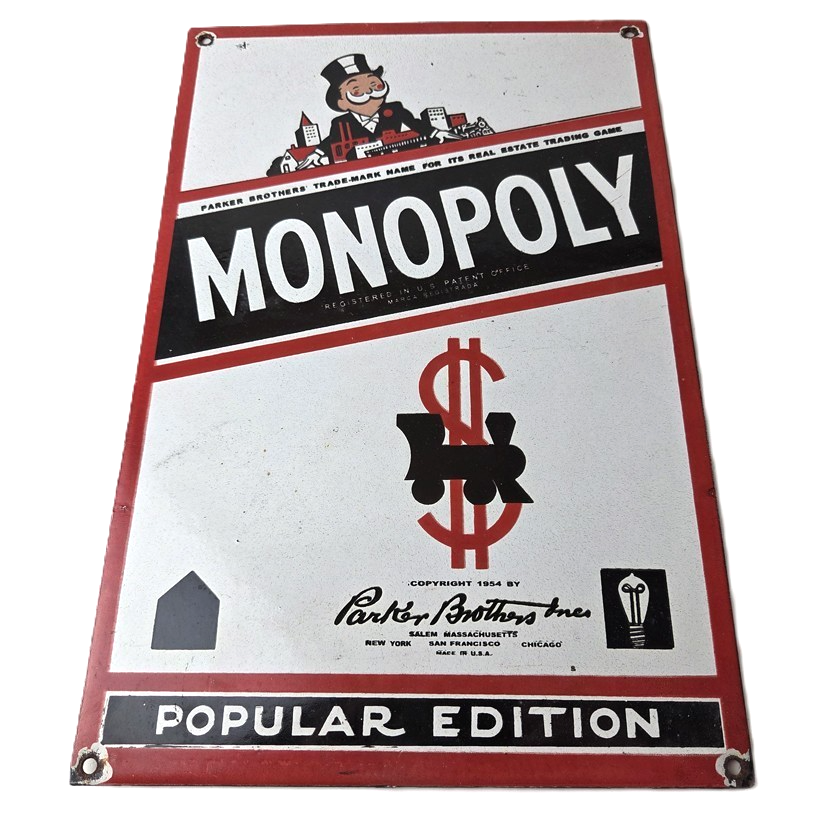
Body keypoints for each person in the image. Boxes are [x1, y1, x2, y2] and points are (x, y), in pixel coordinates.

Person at [298, 53, 460, 168]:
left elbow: (415, 123)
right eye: (356, 90)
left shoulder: (394, 109)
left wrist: (436, 133)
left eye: (374, 84)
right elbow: (331, 141)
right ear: (341, 103)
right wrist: (317, 154)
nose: (369, 91)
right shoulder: (340, 123)